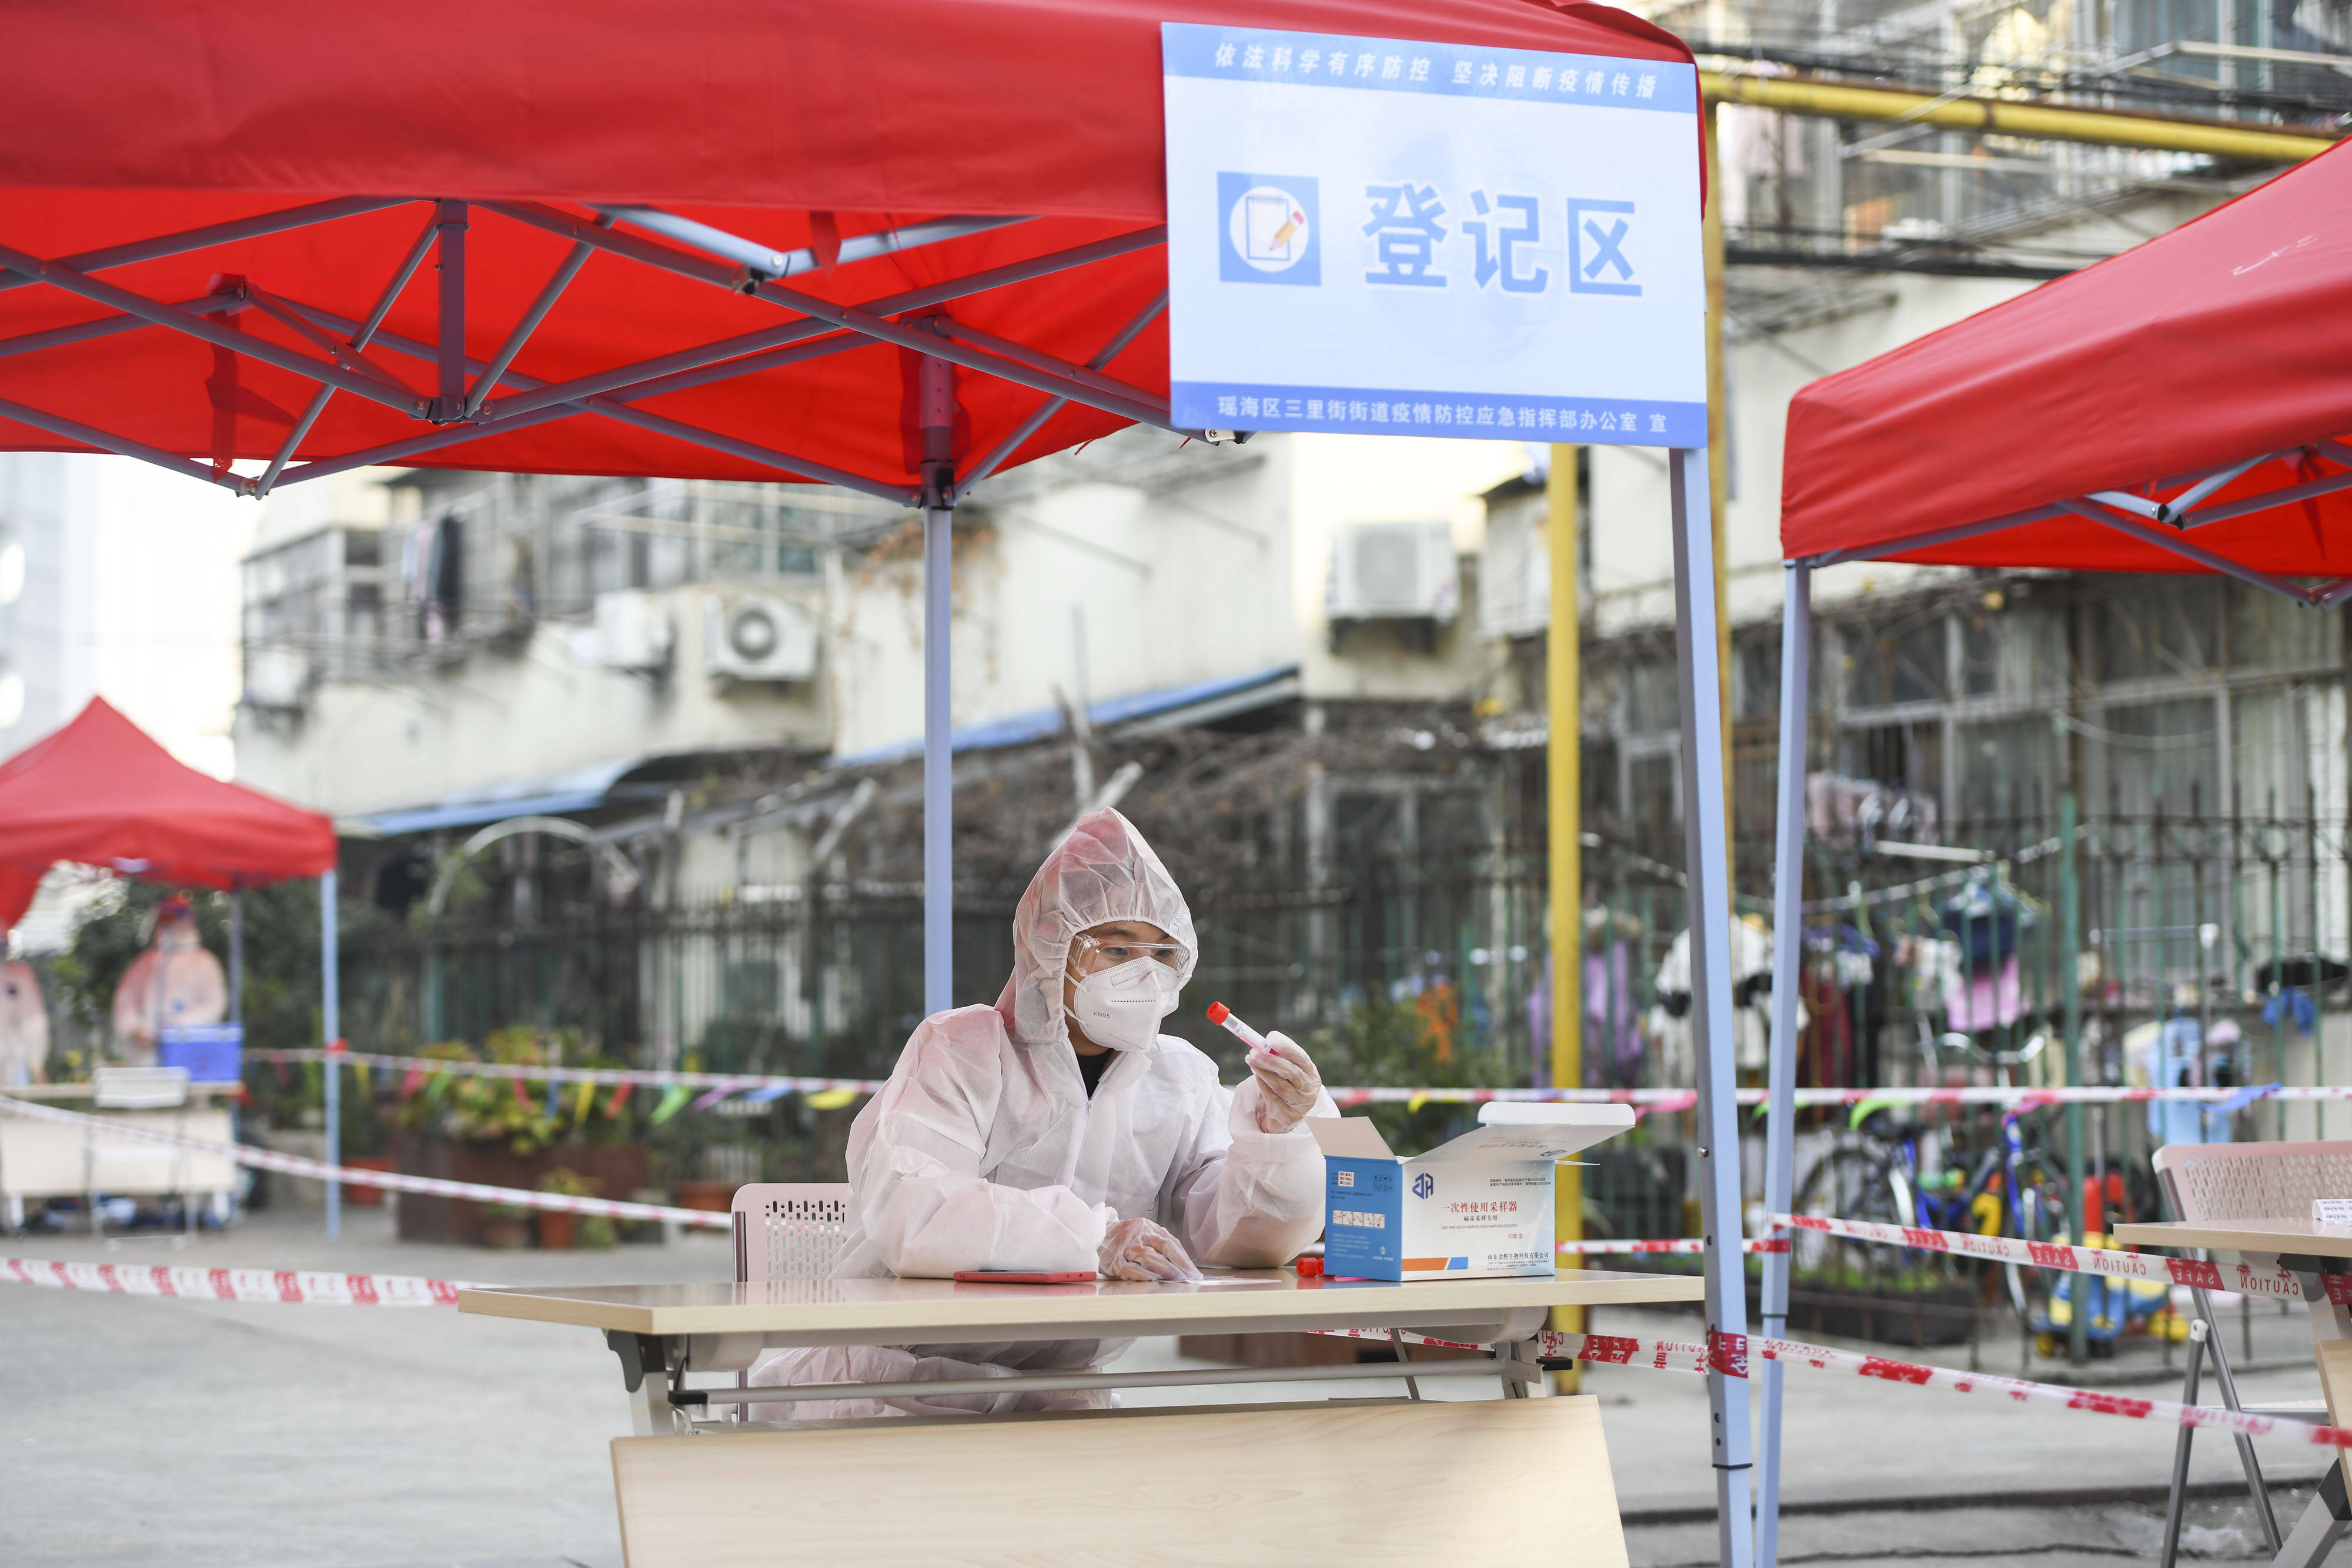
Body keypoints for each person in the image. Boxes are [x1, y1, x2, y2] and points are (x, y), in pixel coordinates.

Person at [749, 808, 1335, 1419]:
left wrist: (1278, 1134)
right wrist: (1094, 1238)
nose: (1145, 971)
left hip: (1059, 1396)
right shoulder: (962, 1050)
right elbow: (913, 1210)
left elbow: (1234, 1243)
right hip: (897, 1390)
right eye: (1116, 948)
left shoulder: (1177, 1077)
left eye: (1162, 952)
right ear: (1051, 942)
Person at [109, 895, 226, 1066]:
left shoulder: (205, 962)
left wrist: (180, 1025)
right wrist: (134, 1028)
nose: (169, 924)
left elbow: (214, 1003)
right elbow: (125, 998)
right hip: (145, 1057)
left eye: (175, 917)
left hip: (187, 1054)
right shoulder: (146, 962)